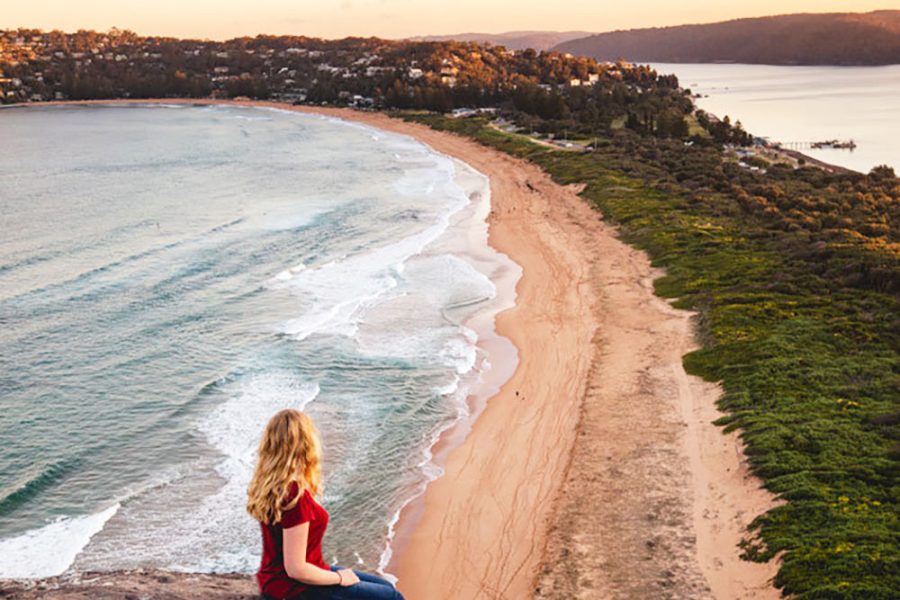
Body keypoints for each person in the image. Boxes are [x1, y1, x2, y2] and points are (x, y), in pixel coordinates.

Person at [247, 408, 406, 600]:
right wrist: (338, 578)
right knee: (390, 596)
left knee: (383, 586)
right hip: (295, 590)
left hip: (281, 579)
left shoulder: (270, 486)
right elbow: (296, 569)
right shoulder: (294, 497)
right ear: (306, 444)